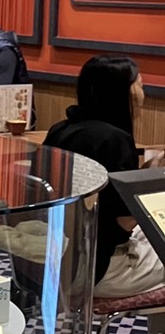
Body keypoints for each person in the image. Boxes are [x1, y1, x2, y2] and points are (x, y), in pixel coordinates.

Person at [45, 57, 165, 310]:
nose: (143, 94)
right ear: (124, 93)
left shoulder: (61, 130)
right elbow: (125, 221)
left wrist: (143, 175)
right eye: (140, 86)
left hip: (55, 261)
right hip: (99, 270)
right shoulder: (113, 140)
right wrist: (155, 182)